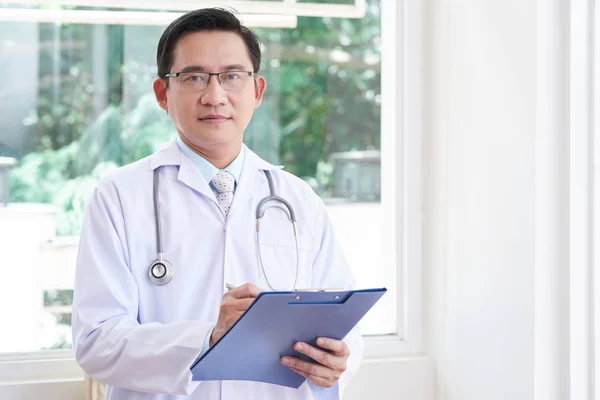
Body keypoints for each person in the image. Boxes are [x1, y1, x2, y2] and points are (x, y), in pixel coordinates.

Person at [72, 7, 363, 400]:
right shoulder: (119, 197)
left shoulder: (298, 199)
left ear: (257, 91)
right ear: (163, 93)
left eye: (231, 76)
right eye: (193, 77)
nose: (214, 95)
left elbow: (343, 324)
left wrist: (337, 362)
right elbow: (96, 341)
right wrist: (208, 337)